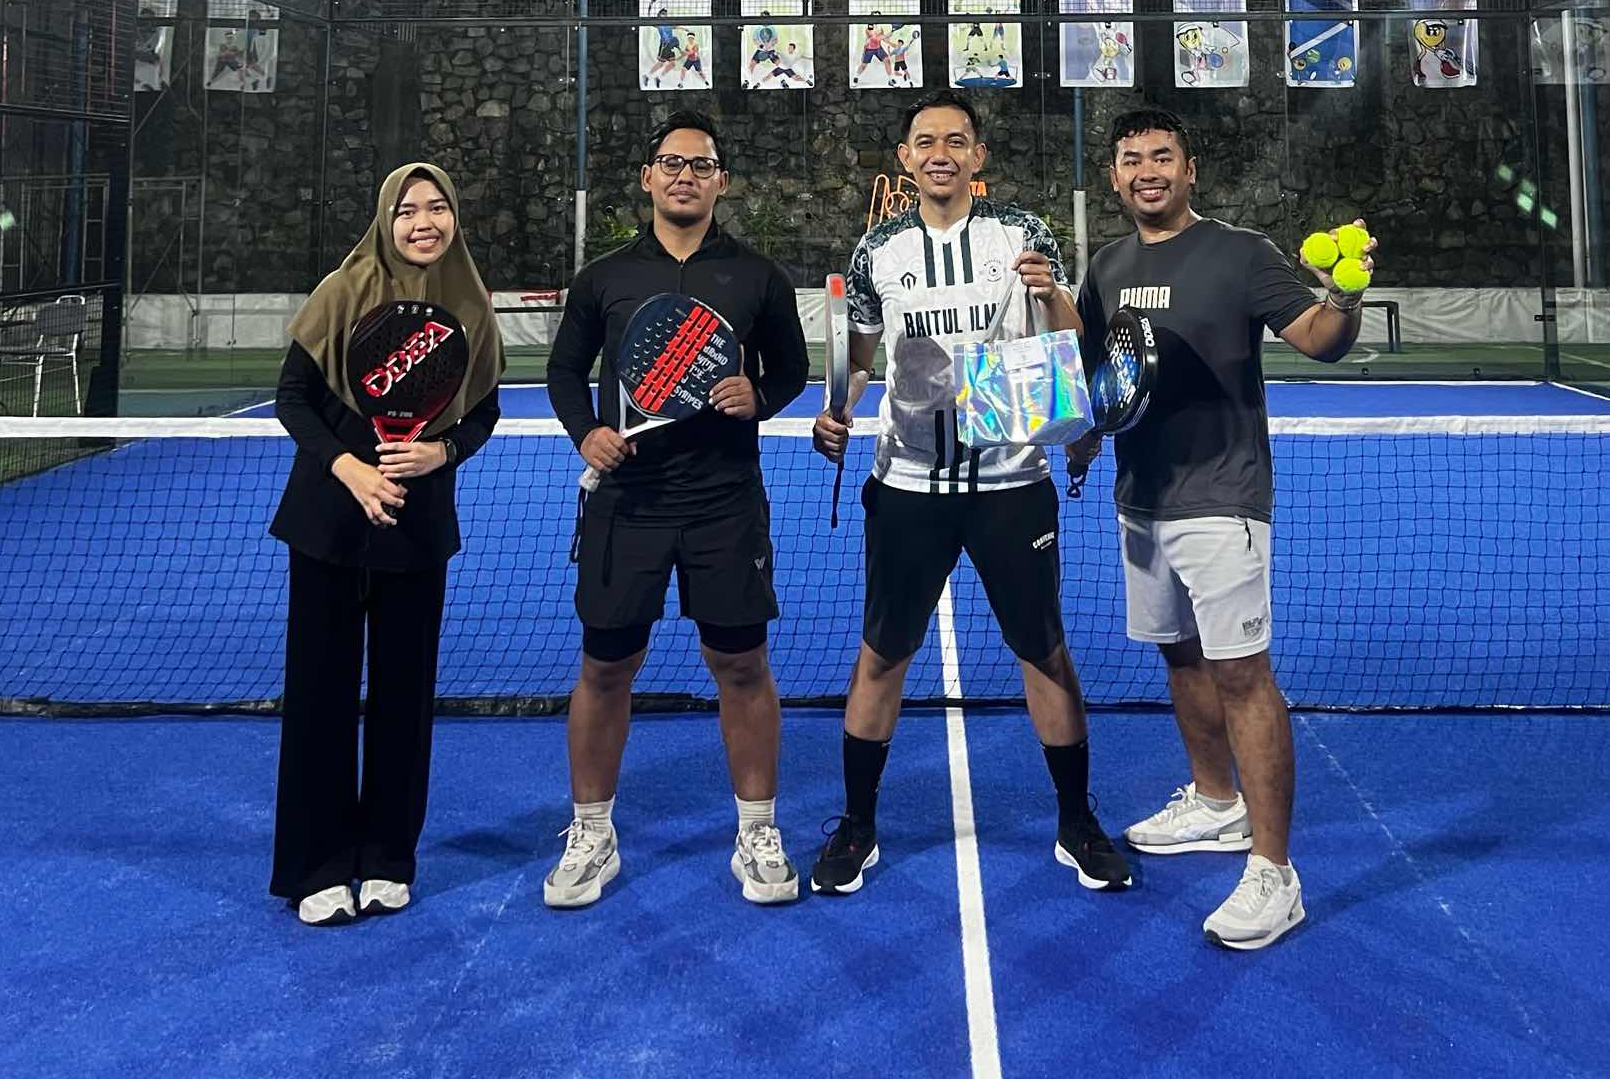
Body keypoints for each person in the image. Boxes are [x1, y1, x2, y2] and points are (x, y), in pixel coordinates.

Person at [810, 94, 1132, 896]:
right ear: (905, 158)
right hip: (908, 486)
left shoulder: (1023, 234)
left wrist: (1050, 292)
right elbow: (859, 358)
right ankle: (857, 825)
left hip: (1011, 486)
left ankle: (1076, 821)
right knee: (883, 654)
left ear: (978, 157)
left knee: (1044, 651)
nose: (941, 153)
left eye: (956, 140)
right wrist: (836, 409)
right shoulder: (877, 250)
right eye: (926, 141)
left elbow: (1069, 344)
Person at [1072, 107, 1374, 950]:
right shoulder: (1107, 266)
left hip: (1222, 495)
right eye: (1132, 160)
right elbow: (1104, 375)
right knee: (1179, 654)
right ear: (1115, 177)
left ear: (1190, 167)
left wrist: (1344, 295)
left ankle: (1275, 872)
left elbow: (1319, 341)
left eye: (1162, 156)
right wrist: (1083, 435)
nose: (1147, 171)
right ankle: (1215, 801)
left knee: (1242, 675)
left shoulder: (1241, 253)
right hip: (1141, 496)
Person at [546, 111, 810, 908]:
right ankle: (592, 833)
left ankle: (757, 830)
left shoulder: (757, 277)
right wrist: (587, 432)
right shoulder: (604, 278)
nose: (685, 176)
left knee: (742, 665)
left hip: (725, 504)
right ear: (647, 177)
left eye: (700, 165)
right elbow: (564, 371)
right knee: (605, 667)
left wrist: (759, 396)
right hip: (627, 504)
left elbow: (791, 370)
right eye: (671, 163)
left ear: (721, 181)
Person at [268, 163, 504, 926]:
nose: (423, 222)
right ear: (385, 219)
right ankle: (317, 865)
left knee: (405, 697)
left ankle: (388, 857)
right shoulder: (343, 291)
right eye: (407, 210)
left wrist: (443, 453)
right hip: (328, 522)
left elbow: (483, 412)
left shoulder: (470, 306)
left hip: (417, 526)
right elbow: (293, 399)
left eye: (437, 208)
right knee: (320, 694)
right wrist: (351, 470)